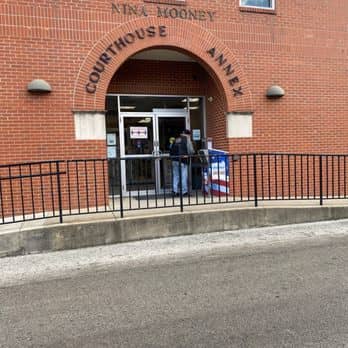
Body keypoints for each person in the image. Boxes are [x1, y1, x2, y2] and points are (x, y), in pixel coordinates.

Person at [170, 129, 195, 196]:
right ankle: (184, 191)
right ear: (188, 134)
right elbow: (191, 151)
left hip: (174, 160)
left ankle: (174, 191)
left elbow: (171, 150)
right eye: (189, 135)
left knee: (176, 176)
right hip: (183, 160)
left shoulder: (176, 139)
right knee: (183, 176)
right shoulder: (187, 139)